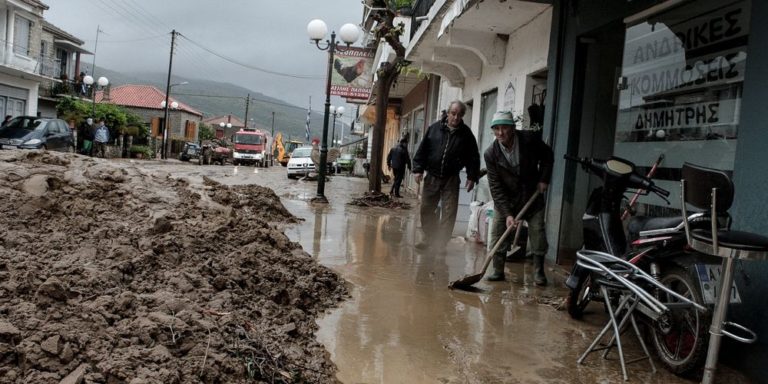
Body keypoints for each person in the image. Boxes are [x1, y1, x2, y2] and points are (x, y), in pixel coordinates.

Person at [484, 111, 553, 285]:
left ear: (513, 128)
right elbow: (496, 187)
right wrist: (507, 214)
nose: (501, 133)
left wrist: (544, 179)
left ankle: (538, 271)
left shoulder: (529, 140)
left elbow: (548, 156)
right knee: (497, 233)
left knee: (537, 231)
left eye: (504, 128)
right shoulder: (491, 154)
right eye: (496, 129)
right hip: (507, 199)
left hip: (531, 195)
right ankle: (498, 270)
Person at [412, 100, 480, 253]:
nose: (456, 117)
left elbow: (473, 157)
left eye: (459, 115)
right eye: (453, 114)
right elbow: (423, 150)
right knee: (427, 209)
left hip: (451, 177)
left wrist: (472, 176)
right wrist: (418, 169)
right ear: (448, 113)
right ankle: (429, 237)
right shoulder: (434, 129)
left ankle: (440, 244)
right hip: (432, 175)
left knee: (449, 212)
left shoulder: (466, 134)